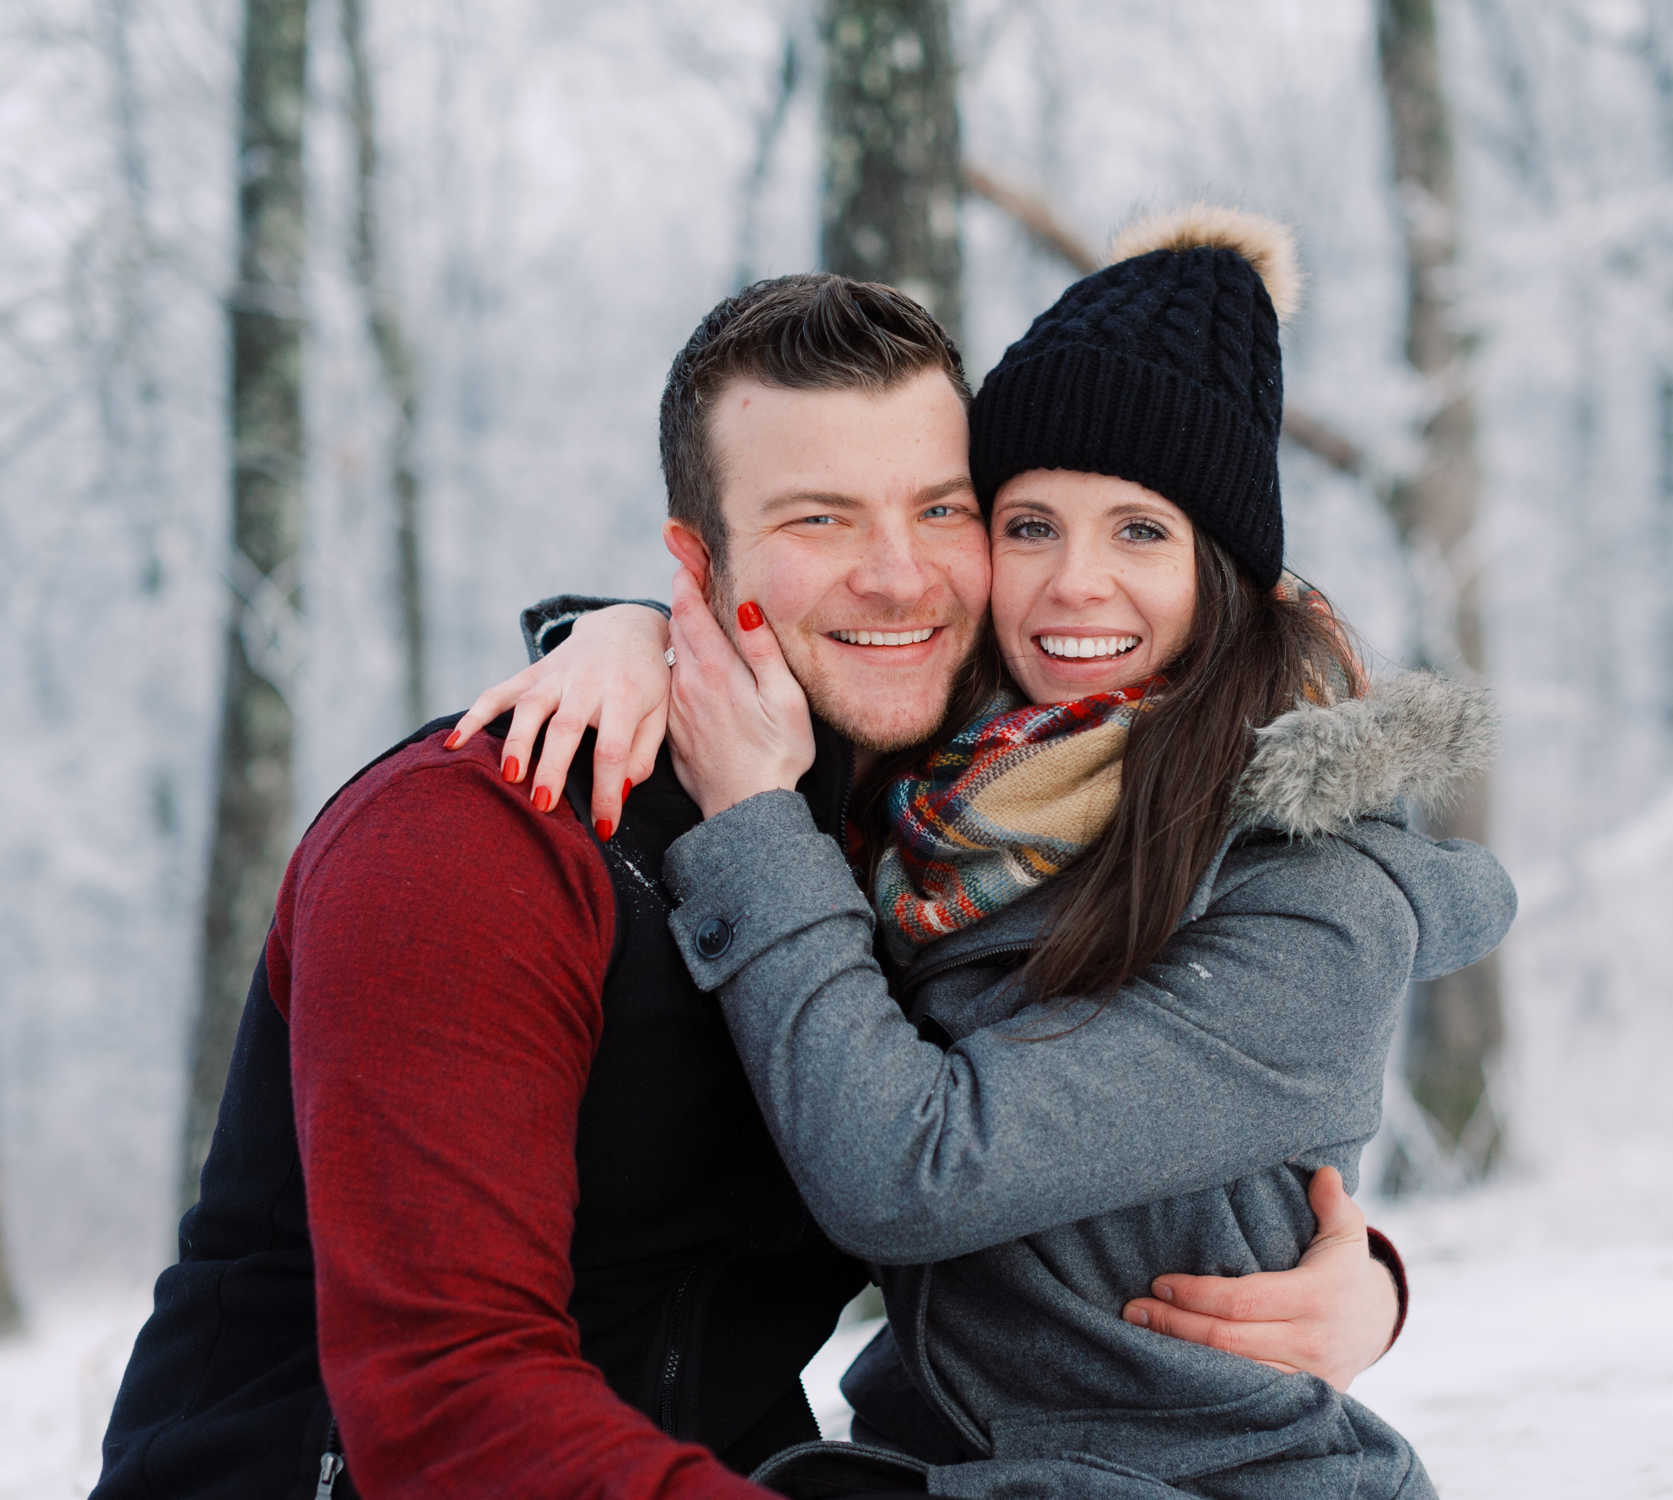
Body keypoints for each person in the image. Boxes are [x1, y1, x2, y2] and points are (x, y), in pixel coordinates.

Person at [93, 269, 1405, 1500]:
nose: (897, 574)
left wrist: (1358, 1278)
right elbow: (444, 1402)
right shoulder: (465, 847)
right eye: (816, 518)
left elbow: (1060, 1132)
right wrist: (619, 630)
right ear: (699, 563)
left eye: (941, 508)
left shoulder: (920, 842)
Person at [490, 206, 1513, 1498]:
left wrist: (753, 822)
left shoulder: (1312, 901)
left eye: (1140, 532)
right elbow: (806, 621)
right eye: (1030, 525)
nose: (1075, 583)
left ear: (1228, 578)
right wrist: (636, 634)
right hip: (938, 1462)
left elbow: (912, 1173)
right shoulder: (955, 790)